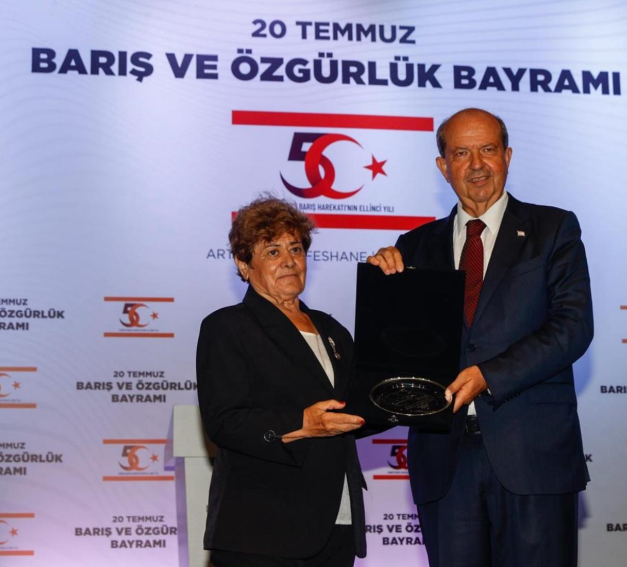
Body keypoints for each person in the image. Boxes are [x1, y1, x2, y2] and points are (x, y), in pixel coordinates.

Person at [368, 108, 593, 567]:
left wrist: (488, 375)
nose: (476, 164)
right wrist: (381, 291)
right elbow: (398, 353)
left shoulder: (553, 230)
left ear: (507, 156)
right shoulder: (413, 246)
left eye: (487, 150)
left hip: (533, 456)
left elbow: (573, 327)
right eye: (461, 153)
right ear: (443, 166)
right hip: (445, 463)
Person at [196, 196, 367, 567]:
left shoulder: (333, 330)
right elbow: (225, 422)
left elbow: (355, 409)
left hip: (336, 522)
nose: (289, 260)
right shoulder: (227, 327)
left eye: (296, 249)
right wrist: (301, 424)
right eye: (272, 251)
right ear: (244, 265)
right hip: (263, 528)